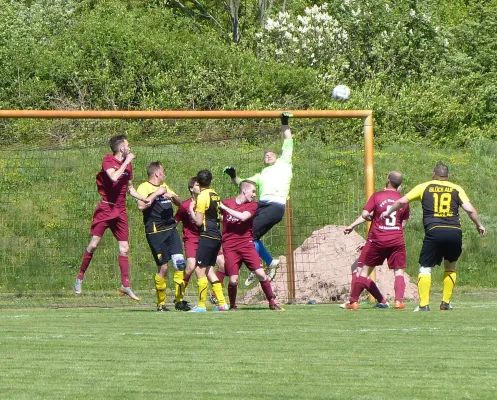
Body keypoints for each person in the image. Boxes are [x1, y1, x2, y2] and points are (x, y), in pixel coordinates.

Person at [381, 162, 486, 311]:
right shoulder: (456, 188)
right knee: (450, 267)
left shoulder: (424, 186)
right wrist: (479, 225)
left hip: (434, 231)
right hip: (454, 231)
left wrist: (388, 212)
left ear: (433, 174)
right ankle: (445, 303)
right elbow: (469, 209)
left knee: (425, 268)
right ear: (447, 176)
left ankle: (424, 305)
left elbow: (401, 201)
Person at [73, 134, 150, 300]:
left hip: (120, 210)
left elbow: (129, 188)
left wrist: (142, 198)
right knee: (93, 244)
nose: (130, 148)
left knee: (125, 248)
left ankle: (126, 285)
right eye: (128, 145)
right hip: (106, 208)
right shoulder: (108, 160)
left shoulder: (128, 167)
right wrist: (127, 161)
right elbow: (114, 177)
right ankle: (80, 276)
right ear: (122, 148)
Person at [224, 112, 293, 286]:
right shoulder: (261, 174)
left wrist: (284, 123)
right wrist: (233, 176)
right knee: (248, 235)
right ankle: (268, 263)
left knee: (249, 236)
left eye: (271, 154)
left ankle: (259, 266)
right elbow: (243, 185)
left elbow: (288, 140)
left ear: (278, 156)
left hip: (275, 205)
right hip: (261, 205)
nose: (268, 155)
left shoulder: (284, 163)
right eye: (265, 155)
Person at [343, 171, 410, 310]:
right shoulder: (403, 200)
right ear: (400, 184)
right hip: (396, 239)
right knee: (398, 271)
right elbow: (403, 223)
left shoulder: (377, 196)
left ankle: (353, 302)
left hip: (378, 239)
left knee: (364, 270)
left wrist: (371, 219)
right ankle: (398, 302)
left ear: (387, 180)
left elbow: (365, 214)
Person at [220, 180, 284, 311]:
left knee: (261, 274)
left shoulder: (252, 205)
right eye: (253, 191)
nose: (254, 195)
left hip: (246, 244)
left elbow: (243, 217)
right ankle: (232, 306)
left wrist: (225, 209)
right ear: (244, 191)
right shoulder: (227, 202)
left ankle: (272, 302)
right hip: (230, 246)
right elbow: (220, 217)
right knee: (233, 280)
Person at [136, 161, 190, 312]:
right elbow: (141, 206)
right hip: (156, 232)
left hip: (171, 230)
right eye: (163, 171)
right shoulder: (144, 187)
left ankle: (179, 301)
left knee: (180, 264)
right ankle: (161, 304)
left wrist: (172, 196)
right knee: (164, 268)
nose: (164, 174)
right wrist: (156, 194)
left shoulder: (164, 185)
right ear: (157, 173)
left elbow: (180, 203)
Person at [174, 177, 226, 305]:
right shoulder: (185, 205)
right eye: (198, 185)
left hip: (207, 238)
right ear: (192, 188)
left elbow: (219, 216)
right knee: (191, 267)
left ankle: (215, 297)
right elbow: (174, 222)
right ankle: (179, 297)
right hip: (192, 239)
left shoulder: (207, 200)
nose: (201, 187)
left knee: (222, 264)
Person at [187, 170, 229, 312]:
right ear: (210, 182)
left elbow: (198, 222)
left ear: (198, 183)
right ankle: (222, 304)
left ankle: (201, 305)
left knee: (199, 270)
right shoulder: (215, 195)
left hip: (207, 236)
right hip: (217, 236)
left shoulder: (202, 197)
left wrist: (191, 211)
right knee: (210, 270)